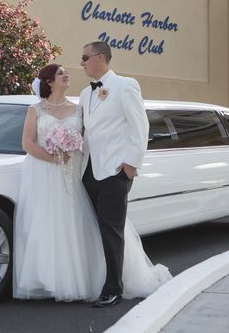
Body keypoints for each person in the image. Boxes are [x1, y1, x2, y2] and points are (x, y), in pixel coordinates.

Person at [13, 61, 170, 303]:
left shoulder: (79, 108)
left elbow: (95, 136)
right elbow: (28, 144)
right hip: (44, 175)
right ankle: (47, 281)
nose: (67, 75)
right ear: (48, 81)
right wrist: (54, 158)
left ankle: (86, 280)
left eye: (66, 72)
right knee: (46, 226)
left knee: (77, 226)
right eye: (61, 73)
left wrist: (125, 161)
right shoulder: (35, 110)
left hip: (76, 174)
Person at [79, 41, 169, 308]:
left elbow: (140, 127)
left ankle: (113, 289)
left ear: (100, 58)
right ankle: (102, 281)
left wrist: (130, 165)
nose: (81, 62)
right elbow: (88, 131)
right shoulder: (85, 93)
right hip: (89, 171)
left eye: (85, 57)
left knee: (112, 230)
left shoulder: (126, 85)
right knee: (96, 231)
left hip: (114, 172)